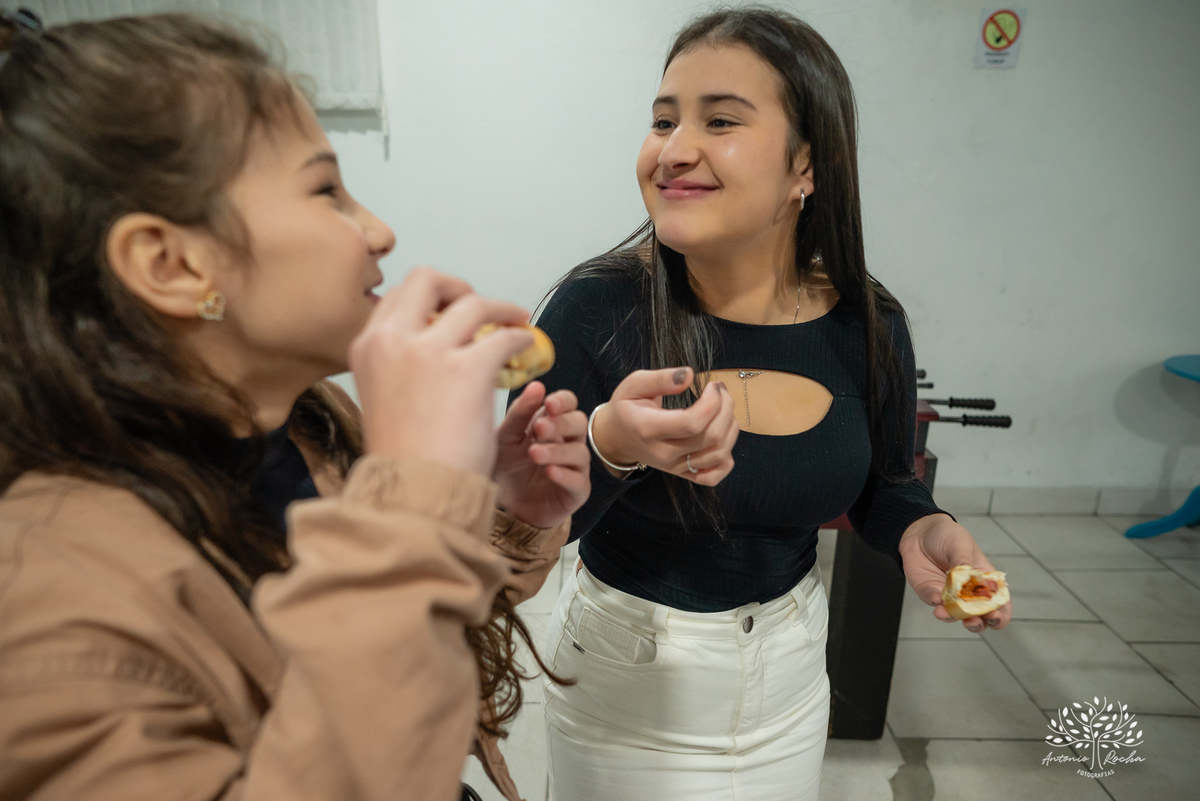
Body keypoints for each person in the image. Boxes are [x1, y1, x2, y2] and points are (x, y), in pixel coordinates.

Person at [0, 11, 587, 801]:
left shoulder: (314, 421)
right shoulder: (49, 601)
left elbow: (399, 646)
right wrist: (413, 497)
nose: (378, 230)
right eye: (326, 191)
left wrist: (500, 505)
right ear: (172, 264)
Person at [528, 8, 1014, 801]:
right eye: (662, 119)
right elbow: (520, 535)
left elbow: (886, 486)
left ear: (806, 168)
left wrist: (925, 527)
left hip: (791, 675)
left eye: (719, 120)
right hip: (629, 683)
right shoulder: (594, 309)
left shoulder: (870, 323)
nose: (673, 149)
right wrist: (608, 441)